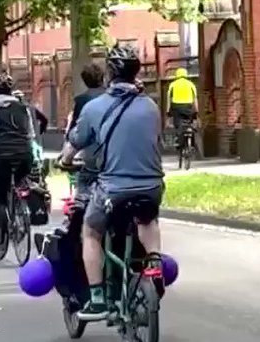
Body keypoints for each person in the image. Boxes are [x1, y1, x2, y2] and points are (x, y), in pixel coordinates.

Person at [67, 44, 165, 321]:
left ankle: (97, 298)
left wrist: (65, 160)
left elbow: (74, 145)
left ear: (109, 73)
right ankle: (154, 260)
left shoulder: (95, 107)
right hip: (152, 186)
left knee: (91, 232)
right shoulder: (151, 106)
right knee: (148, 219)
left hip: (112, 189)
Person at [0, 74, 36, 258]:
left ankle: (0, 243)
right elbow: (30, 135)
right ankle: (21, 205)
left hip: (0, 156)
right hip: (23, 155)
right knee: (19, 181)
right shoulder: (22, 108)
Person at [60, 62, 108, 210]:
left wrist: (66, 156)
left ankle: (80, 214)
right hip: (115, 155)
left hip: (91, 155)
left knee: (83, 184)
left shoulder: (82, 101)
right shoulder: (114, 97)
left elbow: (76, 133)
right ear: (102, 77)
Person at [165, 67, 197, 136]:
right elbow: (195, 99)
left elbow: (169, 99)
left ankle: (179, 139)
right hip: (188, 108)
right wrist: (196, 112)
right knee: (190, 124)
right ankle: (191, 139)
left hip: (176, 108)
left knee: (178, 126)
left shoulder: (172, 85)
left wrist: (168, 112)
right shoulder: (191, 84)